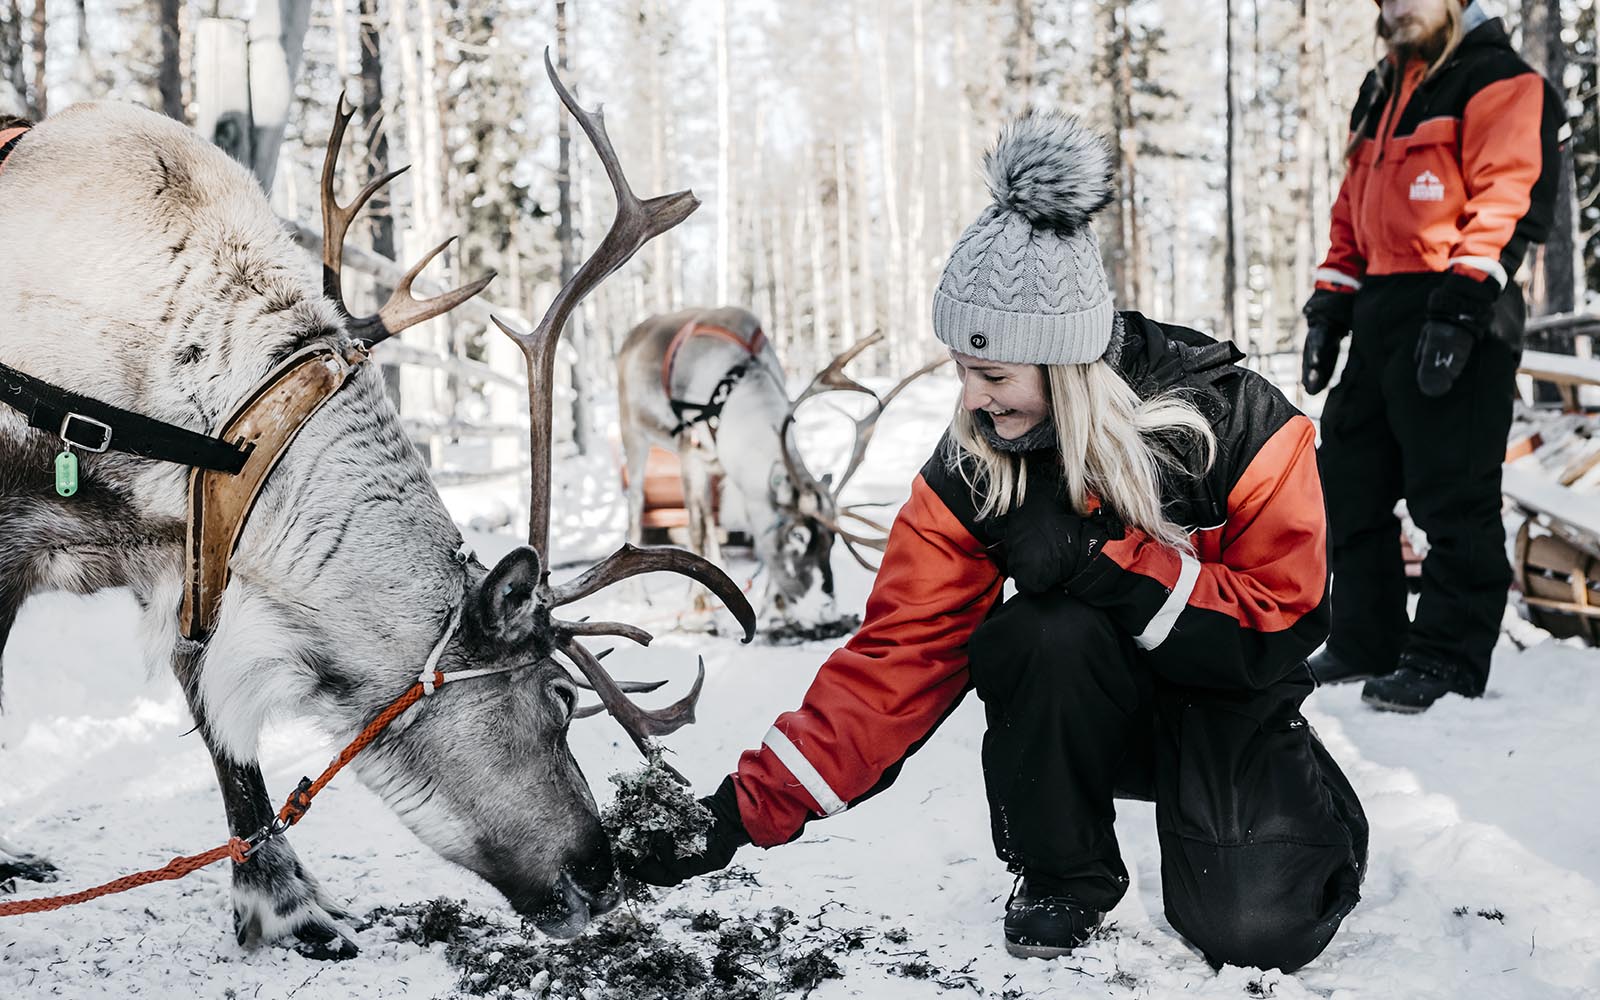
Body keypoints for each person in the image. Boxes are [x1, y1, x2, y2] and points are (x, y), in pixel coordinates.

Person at [625, 112, 1367, 974]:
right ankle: (1062, 875)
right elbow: (897, 657)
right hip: (1100, 706)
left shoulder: (1235, 418)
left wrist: (1112, 567)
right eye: (961, 370)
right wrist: (738, 813)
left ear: (1064, 363)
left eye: (994, 374)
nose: (972, 399)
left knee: (1257, 935)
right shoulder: (977, 469)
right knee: (1034, 633)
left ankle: (1302, 804)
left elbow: (1285, 618)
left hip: (1229, 701)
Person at [1301, 0, 1565, 711]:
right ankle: (1366, 637)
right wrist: (1330, 306)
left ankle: (1448, 656)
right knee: (1348, 480)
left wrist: (1460, 306)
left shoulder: (1499, 79)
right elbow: (1352, 203)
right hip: (1381, 307)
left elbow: (1506, 197)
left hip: (1462, 308)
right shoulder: (1385, 86)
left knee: (1451, 493)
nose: (1394, 7)